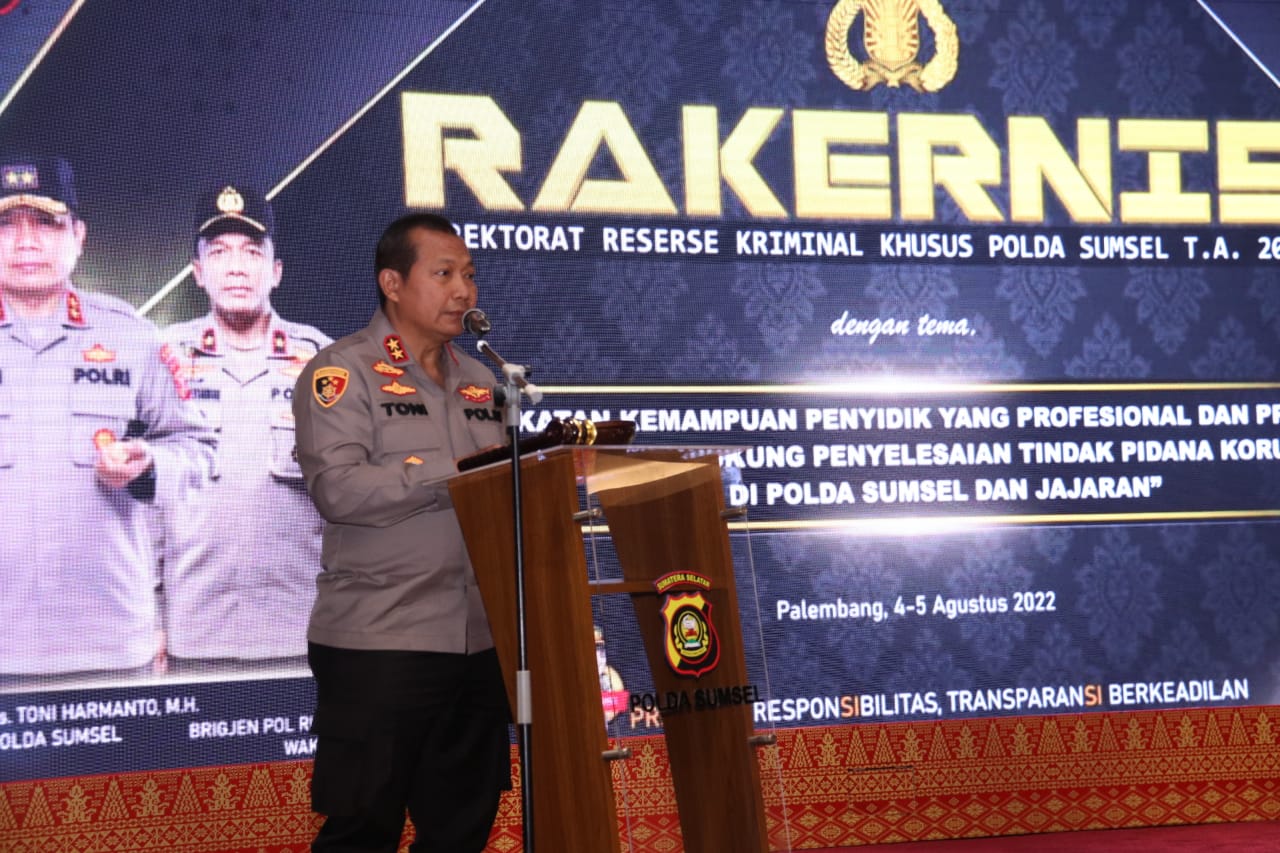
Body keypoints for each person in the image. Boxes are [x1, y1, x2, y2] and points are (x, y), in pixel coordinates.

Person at [293, 212, 511, 852]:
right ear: (393, 283)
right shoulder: (341, 372)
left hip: (477, 642)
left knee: (461, 834)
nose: (463, 291)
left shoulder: (485, 382)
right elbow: (339, 490)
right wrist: (455, 473)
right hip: (381, 642)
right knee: (362, 832)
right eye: (443, 274)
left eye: (469, 275)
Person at [0, 155, 214, 687]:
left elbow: (199, 450)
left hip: (109, 643)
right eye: (5, 224)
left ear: (78, 236)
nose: (25, 242)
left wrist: (148, 465)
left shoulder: (130, 336)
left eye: (45, 222)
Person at [160, 184, 331, 673]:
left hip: (298, 629)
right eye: (219, 252)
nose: (236, 267)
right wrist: (149, 617)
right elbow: (139, 503)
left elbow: (349, 504)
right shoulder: (162, 358)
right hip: (192, 629)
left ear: (275, 271)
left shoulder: (323, 361)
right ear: (198, 272)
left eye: (252, 252)